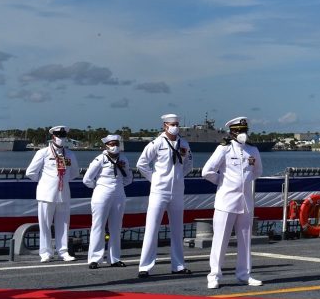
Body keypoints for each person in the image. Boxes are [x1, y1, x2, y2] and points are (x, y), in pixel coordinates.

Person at [203, 116, 264, 289]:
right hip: (226, 201)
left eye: (245, 130)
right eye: (240, 131)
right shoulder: (223, 149)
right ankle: (214, 275)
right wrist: (222, 182)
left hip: (245, 202)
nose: (243, 134)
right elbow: (207, 171)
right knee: (220, 240)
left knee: (245, 241)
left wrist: (244, 182)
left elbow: (257, 171)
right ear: (232, 132)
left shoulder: (253, 150)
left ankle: (244, 274)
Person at [137, 113, 193, 278]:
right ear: (165, 126)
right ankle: (145, 266)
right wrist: (155, 179)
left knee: (177, 229)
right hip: (159, 191)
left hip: (177, 191)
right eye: (172, 124)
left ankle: (178, 265)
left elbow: (189, 163)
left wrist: (179, 177)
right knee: (152, 228)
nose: (175, 126)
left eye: (177, 124)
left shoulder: (184, 143)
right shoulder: (157, 143)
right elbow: (142, 163)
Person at [26, 125, 79, 263]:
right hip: (46, 194)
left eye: (63, 136)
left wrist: (63, 180)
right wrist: (44, 182)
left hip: (63, 193)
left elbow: (74, 173)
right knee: (45, 224)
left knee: (64, 224)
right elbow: (30, 172)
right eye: (58, 135)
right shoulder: (43, 153)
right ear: (53, 137)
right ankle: (45, 252)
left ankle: (63, 251)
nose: (61, 138)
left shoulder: (70, 154)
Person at [83, 134, 133, 269]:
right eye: (111, 144)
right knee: (98, 226)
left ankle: (114, 258)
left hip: (118, 194)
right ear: (106, 145)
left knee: (116, 227)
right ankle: (94, 259)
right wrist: (99, 188)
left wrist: (118, 187)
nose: (114, 146)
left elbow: (129, 178)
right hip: (101, 195)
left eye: (116, 143)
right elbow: (87, 179)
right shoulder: (100, 159)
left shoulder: (124, 159)